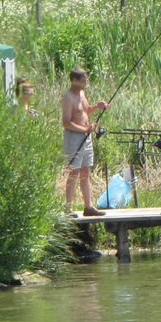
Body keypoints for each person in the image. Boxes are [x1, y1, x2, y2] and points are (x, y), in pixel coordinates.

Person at [62, 67, 109, 215]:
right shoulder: (68, 97)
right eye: (83, 80)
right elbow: (66, 122)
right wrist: (85, 129)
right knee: (73, 172)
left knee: (85, 170)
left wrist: (96, 107)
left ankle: (88, 207)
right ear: (74, 80)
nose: (86, 82)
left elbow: (84, 111)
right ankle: (68, 208)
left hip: (86, 137)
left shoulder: (82, 93)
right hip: (74, 137)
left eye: (86, 79)